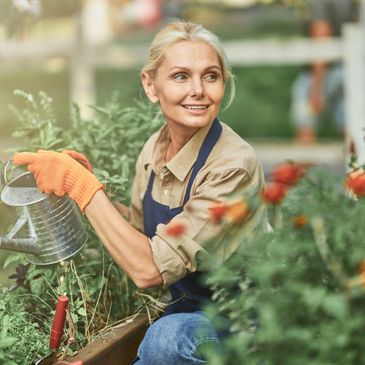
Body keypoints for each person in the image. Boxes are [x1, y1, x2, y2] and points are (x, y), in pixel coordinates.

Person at [13, 20, 267, 364]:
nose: (199, 90)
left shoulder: (232, 165)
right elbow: (139, 235)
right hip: (188, 314)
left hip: (242, 325)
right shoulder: (155, 149)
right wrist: (89, 186)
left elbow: (149, 270)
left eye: (210, 76)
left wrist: (83, 187)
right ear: (151, 85)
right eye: (181, 76)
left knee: (166, 340)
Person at [290, 0, 358, 144]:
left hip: (322, 72)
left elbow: (322, 35)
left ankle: (304, 166)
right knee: (351, 131)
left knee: (305, 127)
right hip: (347, 70)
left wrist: (316, 85)